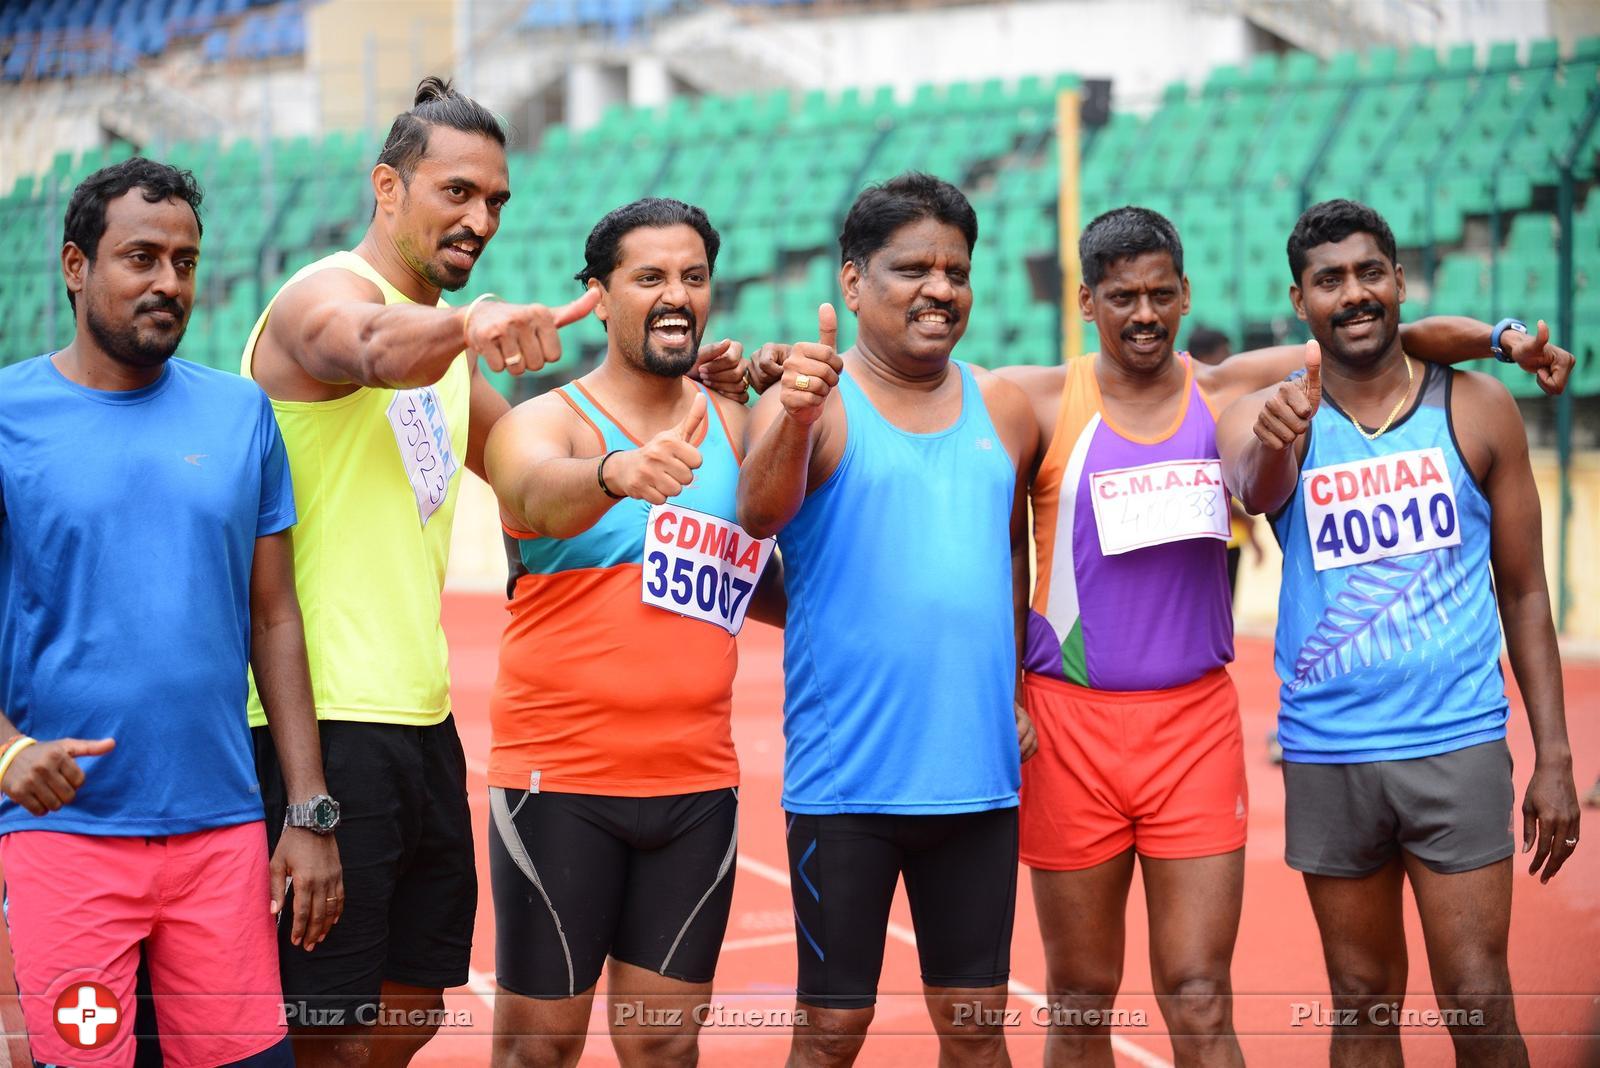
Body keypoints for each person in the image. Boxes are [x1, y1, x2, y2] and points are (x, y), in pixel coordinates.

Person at [993, 206, 1574, 1067]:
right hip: (1081, 724)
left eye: (1161, 293)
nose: (1145, 313)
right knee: (1080, 997)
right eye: (1122, 297)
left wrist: (1501, 336)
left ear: (1188, 294)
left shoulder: (1228, 384)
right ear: (1087, 300)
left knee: (1207, 994)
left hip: (1202, 727)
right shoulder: (1042, 400)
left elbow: (1389, 333)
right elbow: (969, 472)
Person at [1219, 198, 1580, 1065]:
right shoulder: (1280, 418)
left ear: (1401, 281)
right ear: (1298, 300)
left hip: (1455, 745)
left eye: (1370, 273)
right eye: (1329, 280)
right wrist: (1276, 437)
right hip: (1329, 753)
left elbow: (1526, 595)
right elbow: (1254, 483)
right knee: (1361, 1004)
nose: (1354, 294)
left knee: (1479, 1000)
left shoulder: (1480, 409)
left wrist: (1557, 758)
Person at [0, 158, 339, 1067]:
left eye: (184, 263)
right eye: (140, 258)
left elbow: (277, 620)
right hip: (66, 838)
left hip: (221, 836)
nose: (167, 283)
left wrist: (307, 811)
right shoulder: (8, 414)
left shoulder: (241, 416)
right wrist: (6, 747)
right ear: (76, 266)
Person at [738, 172, 1038, 1067]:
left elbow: (1010, 546)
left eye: (956, 270)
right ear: (852, 282)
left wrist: (1015, 680)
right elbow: (754, 522)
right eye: (912, 269)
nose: (939, 289)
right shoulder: (812, 404)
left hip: (979, 781)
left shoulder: (1008, 409)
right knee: (831, 1033)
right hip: (846, 787)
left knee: (979, 1032)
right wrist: (788, 416)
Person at [481, 197, 781, 1067]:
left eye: (692, 277)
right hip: (560, 784)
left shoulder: (731, 422)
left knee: (665, 1049)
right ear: (599, 296)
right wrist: (616, 472)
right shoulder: (546, 422)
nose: (675, 295)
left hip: (696, 791)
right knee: (538, 1052)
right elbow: (531, 492)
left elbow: (768, 579)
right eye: (649, 277)